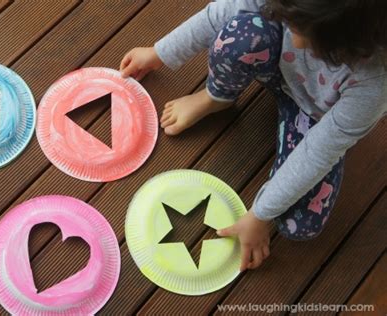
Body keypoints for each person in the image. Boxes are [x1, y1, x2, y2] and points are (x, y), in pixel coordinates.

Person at [119, 0, 386, 271]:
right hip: (275, 68)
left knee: (300, 224)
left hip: (318, 120)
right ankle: (217, 98)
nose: (292, 36)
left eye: (303, 32)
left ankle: (282, 123)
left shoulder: (373, 84)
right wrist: (159, 52)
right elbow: (221, 13)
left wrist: (260, 214)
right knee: (240, 33)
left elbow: (318, 152)